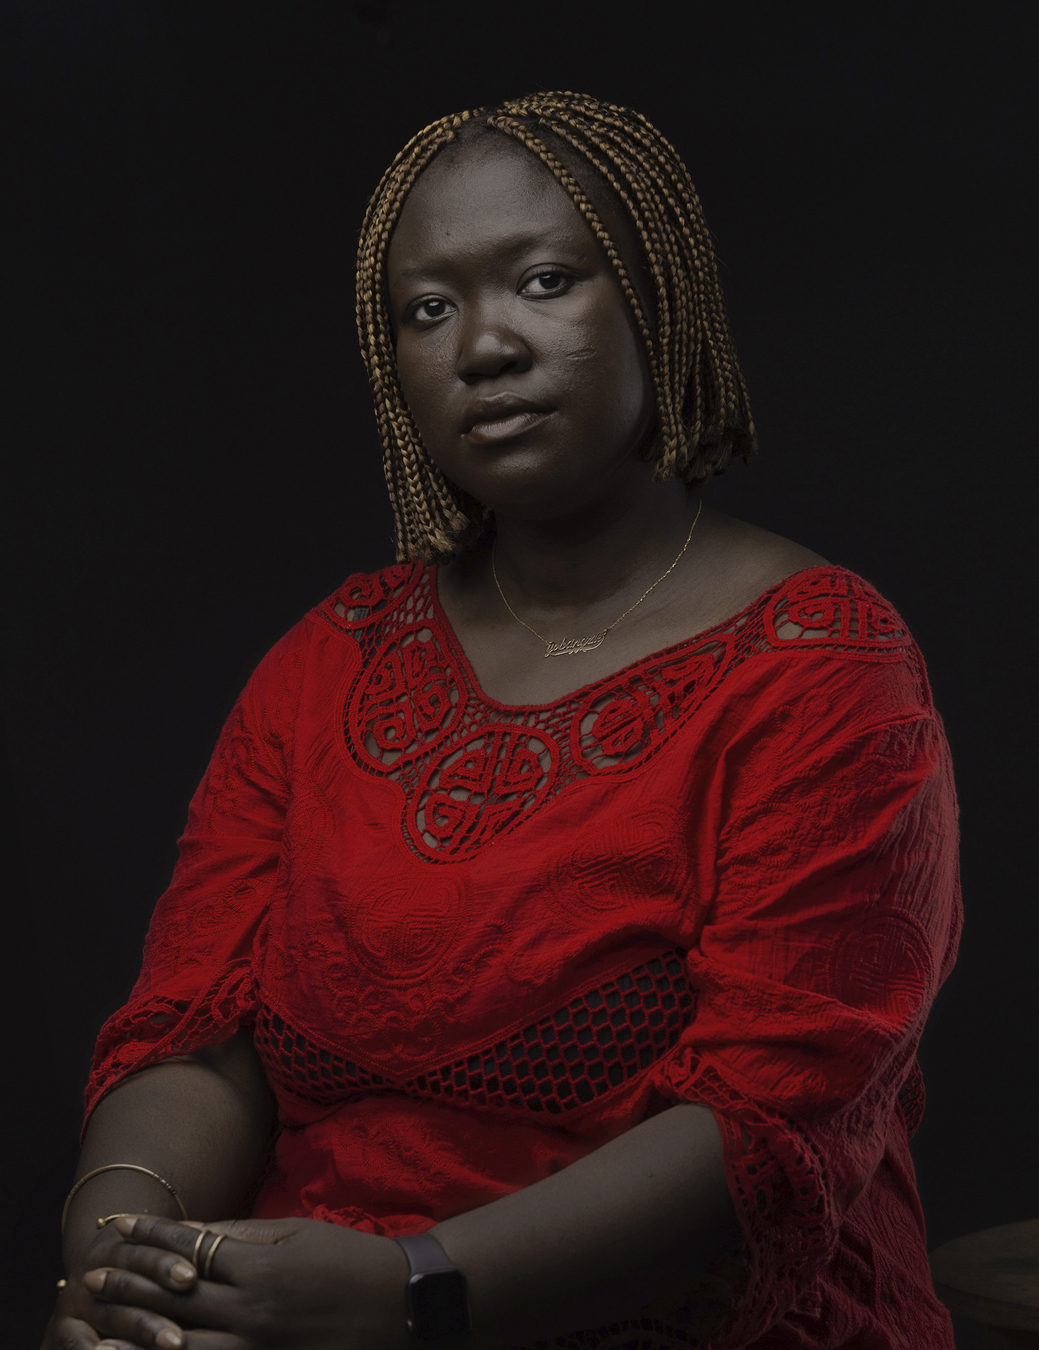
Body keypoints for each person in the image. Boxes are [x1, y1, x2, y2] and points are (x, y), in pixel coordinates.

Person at [44, 91, 962, 1350]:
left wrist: (411, 1289)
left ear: (655, 295)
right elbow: (199, 1039)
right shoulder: (333, 655)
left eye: (542, 280)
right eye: (429, 309)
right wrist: (125, 1258)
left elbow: (768, 1122)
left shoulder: (820, 669)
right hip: (298, 1298)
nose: (483, 345)